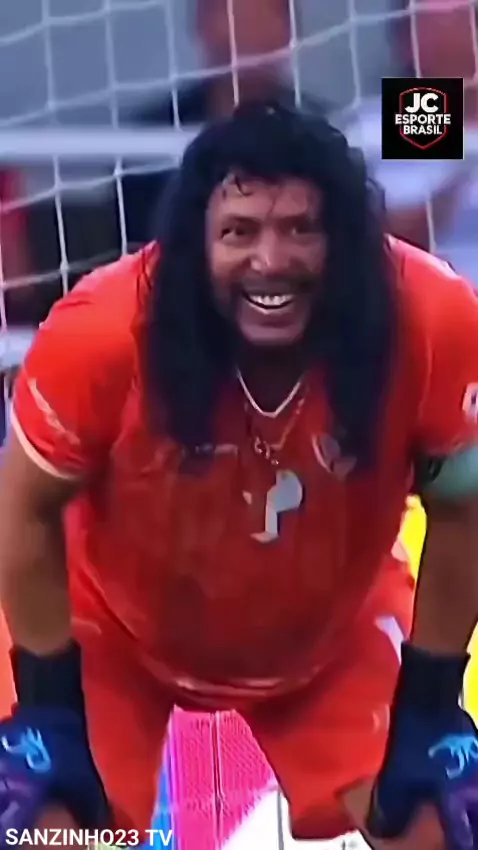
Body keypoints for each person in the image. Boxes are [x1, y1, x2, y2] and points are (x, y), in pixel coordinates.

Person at [2, 101, 478, 850]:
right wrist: (48, 705)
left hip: (331, 633)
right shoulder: (102, 329)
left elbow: (463, 511)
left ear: (346, 240)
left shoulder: (430, 317)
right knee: (41, 834)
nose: (270, 261)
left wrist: (431, 702)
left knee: (442, 825)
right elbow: (23, 506)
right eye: (239, 232)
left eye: (301, 229)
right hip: (108, 628)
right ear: (194, 244)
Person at [119, 0, 326, 251]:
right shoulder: (150, 137)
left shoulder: (325, 133)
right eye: (237, 15)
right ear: (201, 24)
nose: (251, 32)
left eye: (265, 16)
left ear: (292, 29)